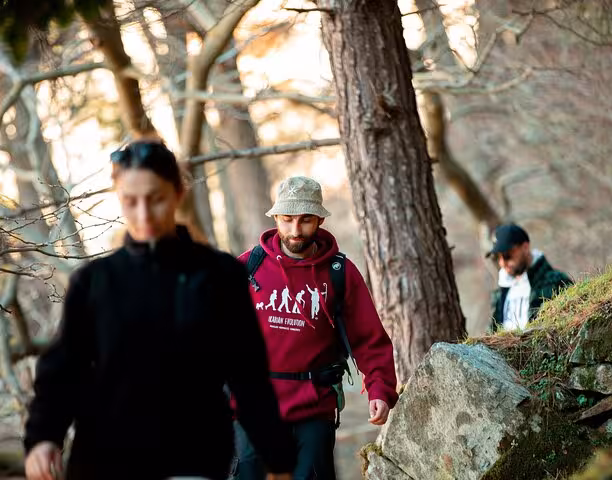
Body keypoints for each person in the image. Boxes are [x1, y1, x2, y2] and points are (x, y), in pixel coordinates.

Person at [23, 140, 295, 480]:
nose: (143, 214)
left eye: (156, 199)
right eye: (130, 202)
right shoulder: (94, 282)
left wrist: (278, 458)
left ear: (178, 192)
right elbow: (64, 367)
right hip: (104, 459)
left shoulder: (220, 276)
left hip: (193, 458)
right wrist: (43, 436)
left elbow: (248, 375)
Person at [230, 176, 398, 480]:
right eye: (287, 219)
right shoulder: (247, 268)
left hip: (314, 408)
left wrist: (380, 388)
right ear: (276, 218)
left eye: (305, 220)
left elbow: (369, 339)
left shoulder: (339, 273)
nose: (295, 230)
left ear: (319, 219)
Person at [488, 223, 573, 331]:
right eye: (497, 257)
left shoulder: (556, 282)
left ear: (525, 247)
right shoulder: (501, 292)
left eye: (507, 255)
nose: (502, 263)